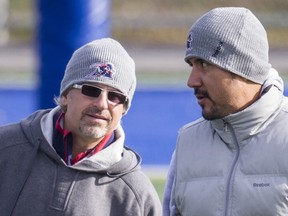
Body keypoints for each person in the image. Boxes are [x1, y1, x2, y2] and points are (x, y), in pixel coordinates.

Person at [0, 38, 162, 216]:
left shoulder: (137, 195)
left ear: (123, 109)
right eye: (91, 90)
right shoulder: (6, 148)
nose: (102, 104)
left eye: (115, 97)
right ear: (65, 96)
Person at [163, 7, 288, 216]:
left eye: (203, 64)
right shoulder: (187, 142)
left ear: (243, 67)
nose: (191, 81)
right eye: (191, 65)